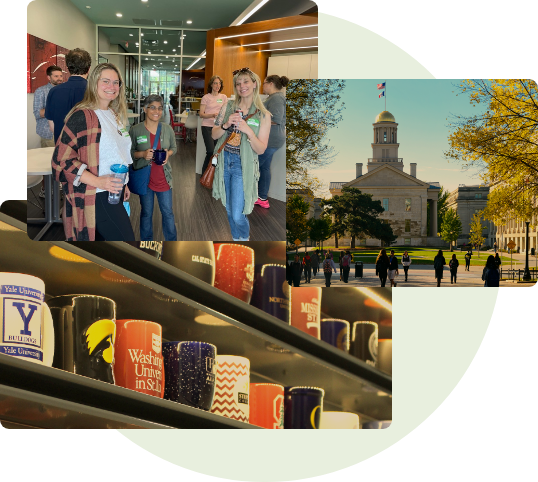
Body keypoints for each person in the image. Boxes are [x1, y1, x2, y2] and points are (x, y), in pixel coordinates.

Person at [51, 63, 135, 241]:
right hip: (96, 194)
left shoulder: (113, 114)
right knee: (127, 243)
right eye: (106, 81)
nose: (111, 87)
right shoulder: (82, 116)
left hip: (114, 190)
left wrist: (124, 183)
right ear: (93, 83)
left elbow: (118, 153)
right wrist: (98, 181)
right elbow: (61, 160)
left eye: (116, 82)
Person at [212, 67, 271, 241]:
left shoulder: (263, 115)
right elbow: (214, 135)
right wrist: (225, 125)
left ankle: (244, 239)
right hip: (224, 161)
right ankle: (236, 240)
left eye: (245, 82)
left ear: (254, 84)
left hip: (242, 165)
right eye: (238, 83)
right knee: (229, 210)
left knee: (237, 214)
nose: (241, 86)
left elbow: (261, 149)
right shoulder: (228, 106)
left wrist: (248, 131)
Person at [129, 95, 178, 241]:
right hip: (145, 179)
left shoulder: (167, 129)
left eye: (160, 108)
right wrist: (142, 154)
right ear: (145, 109)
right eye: (152, 107)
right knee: (146, 213)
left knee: (168, 212)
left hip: (164, 178)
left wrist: (168, 154)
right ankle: (146, 243)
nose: (156, 111)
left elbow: (174, 148)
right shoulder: (136, 130)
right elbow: (129, 154)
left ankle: (172, 242)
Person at [254, 75, 289, 209]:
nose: (263, 86)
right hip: (271, 139)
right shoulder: (274, 98)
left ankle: (249, 196)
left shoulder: (276, 98)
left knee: (254, 166)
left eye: (264, 84)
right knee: (264, 168)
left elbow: (277, 119)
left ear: (271, 83)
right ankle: (262, 198)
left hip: (271, 140)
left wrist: (257, 122)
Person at [46, 48, 91, 143]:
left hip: (62, 148)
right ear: (89, 68)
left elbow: (52, 127)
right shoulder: (95, 91)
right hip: (88, 148)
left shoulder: (54, 91)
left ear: (67, 67)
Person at [33, 65, 63, 198]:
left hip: (62, 132)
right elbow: (37, 113)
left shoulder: (63, 91)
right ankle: (45, 190)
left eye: (61, 76)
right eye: (56, 76)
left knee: (60, 161)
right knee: (49, 164)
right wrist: (54, 109)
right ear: (49, 77)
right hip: (48, 133)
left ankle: (57, 188)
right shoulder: (41, 91)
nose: (59, 79)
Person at [200, 76, 227, 175]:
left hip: (219, 127)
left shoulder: (223, 97)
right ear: (211, 84)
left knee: (217, 152)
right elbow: (201, 114)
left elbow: (226, 111)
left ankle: (213, 176)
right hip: (207, 126)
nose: (217, 85)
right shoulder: (206, 97)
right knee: (211, 151)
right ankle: (204, 174)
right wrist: (212, 115)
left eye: (219, 83)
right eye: (215, 83)